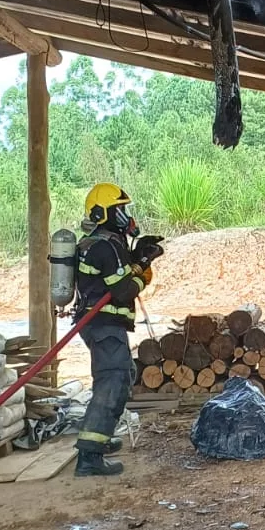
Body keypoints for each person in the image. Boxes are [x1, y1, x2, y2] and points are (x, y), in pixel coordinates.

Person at [73, 183, 163, 478]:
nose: (126, 215)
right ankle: (89, 456)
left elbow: (117, 275)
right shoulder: (104, 247)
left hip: (102, 325)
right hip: (103, 324)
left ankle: (99, 437)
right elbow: (123, 290)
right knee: (112, 381)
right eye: (120, 210)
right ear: (102, 213)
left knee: (121, 376)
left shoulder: (103, 243)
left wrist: (138, 255)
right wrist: (144, 268)